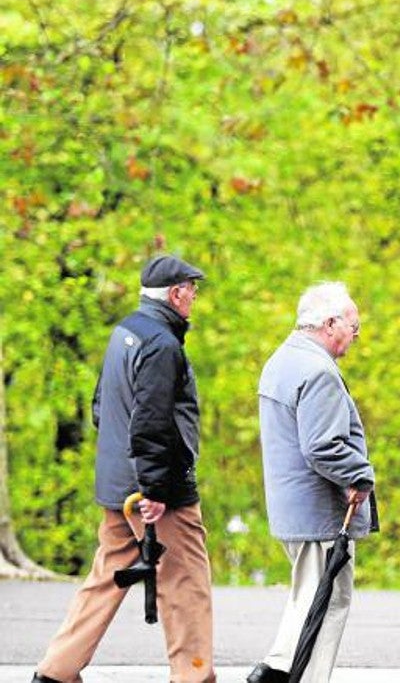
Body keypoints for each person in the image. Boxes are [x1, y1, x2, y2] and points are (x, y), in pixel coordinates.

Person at [32, 255, 215, 683]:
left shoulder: (126, 332)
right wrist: (155, 488)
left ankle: (56, 671)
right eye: (192, 289)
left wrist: (128, 473)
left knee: (106, 578)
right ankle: (194, 676)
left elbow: (102, 408)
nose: (194, 297)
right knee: (186, 581)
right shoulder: (162, 346)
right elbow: (152, 421)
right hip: (155, 492)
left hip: (118, 484)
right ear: (175, 294)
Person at [247, 282, 378, 683]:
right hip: (318, 512)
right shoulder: (318, 371)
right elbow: (323, 446)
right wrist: (360, 474)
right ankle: (298, 675)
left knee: (307, 594)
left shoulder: (282, 359)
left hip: (294, 507)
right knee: (327, 600)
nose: (356, 334)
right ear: (330, 323)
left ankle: (276, 667)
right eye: (353, 326)